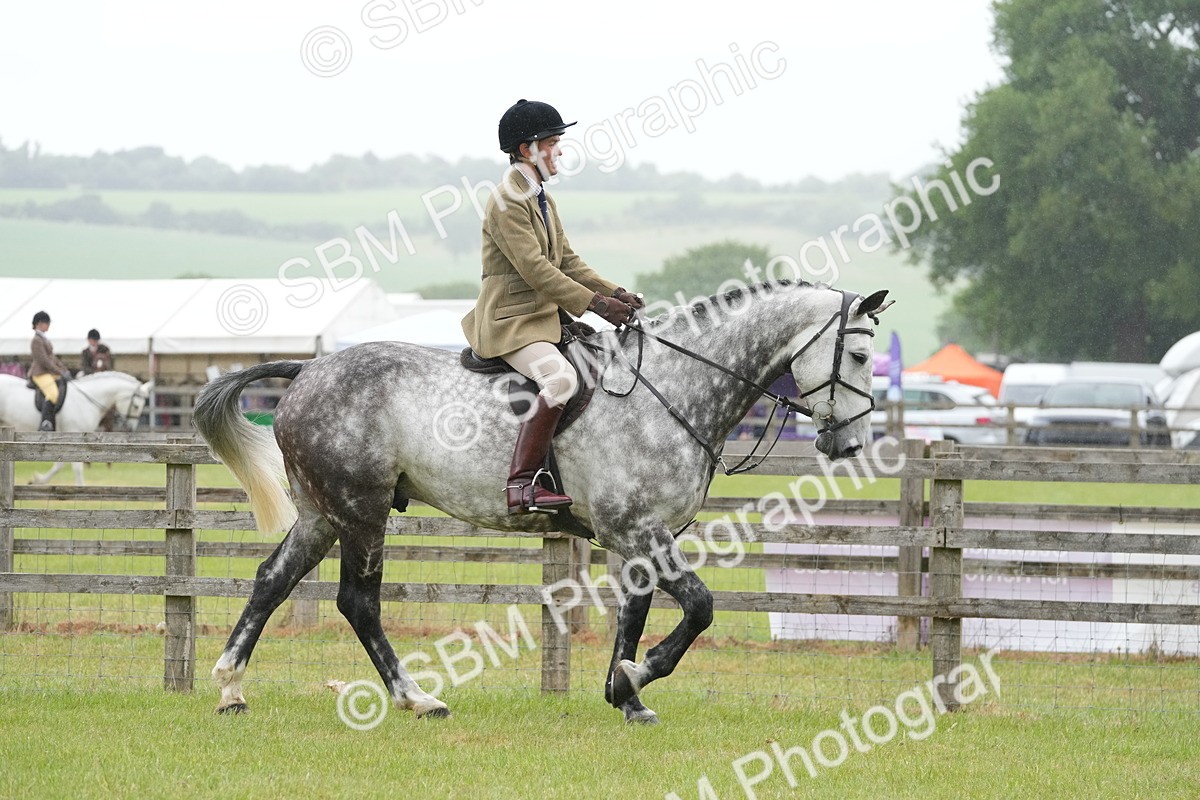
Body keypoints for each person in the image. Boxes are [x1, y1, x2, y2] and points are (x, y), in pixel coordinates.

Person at [461, 99, 645, 515]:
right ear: (527, 150)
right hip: (511, 322)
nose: (560, 151)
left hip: (542, 319)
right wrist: (596, 305)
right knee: (561, 380)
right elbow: (536, 269)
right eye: (553, 143)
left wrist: (616, 293)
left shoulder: (540, 196)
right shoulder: (507, 200)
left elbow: (567, 262)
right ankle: (522, 484)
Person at [29, 311, 72, 431]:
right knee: (52, 394)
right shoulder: (36, 340)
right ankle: (46, 422)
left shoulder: (44, 338)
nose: (48, 325)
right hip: (40, 373)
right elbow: (44, 360)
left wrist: (64, 370)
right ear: (39, 323)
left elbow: (53, 358)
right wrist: (59, 371)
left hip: (48, 372)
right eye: (47, 323)